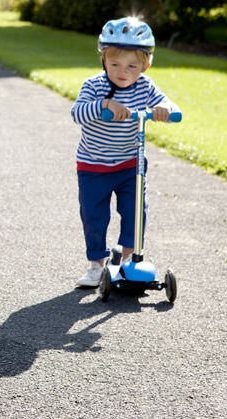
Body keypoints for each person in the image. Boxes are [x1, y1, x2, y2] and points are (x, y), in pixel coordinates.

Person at [70, 17, 179, 287]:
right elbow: (77, 113)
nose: (123, 71)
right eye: (115, 64)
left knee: (135, 211)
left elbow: (167, 103)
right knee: (94, 215)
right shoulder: (94, 86)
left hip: (130, 164)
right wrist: (104, 104)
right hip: (93, 166)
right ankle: (97, 265)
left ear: (145, 65)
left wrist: (165, 109)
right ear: (104, 59)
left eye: (132, 66)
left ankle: (129, 260)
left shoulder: (145, 86)